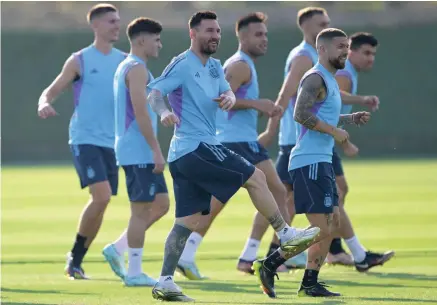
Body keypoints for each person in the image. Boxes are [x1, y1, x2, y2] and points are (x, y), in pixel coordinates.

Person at [147, 11, 320, 302]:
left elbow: (227, 94)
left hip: (189, 153)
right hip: (195, 146)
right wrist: (165, 112)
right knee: (256, 177)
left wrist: (228, 98)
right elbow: (154, 92)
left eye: (217, 31)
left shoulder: (215, 66)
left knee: (186, 222)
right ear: (193, 34)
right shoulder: (182, 63)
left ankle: (165, 281)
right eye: (208, 31)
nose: (214, 36)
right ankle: (285, 233)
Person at [254, 28, 373, 298]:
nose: (345, 51)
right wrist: (334, 132)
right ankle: (270, 263)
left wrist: (349, 118)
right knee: (321, 227)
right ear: (322, 49)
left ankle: (309, 282)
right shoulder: (315, 77)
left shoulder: (329, 80)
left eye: (347, 47)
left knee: (330, 223)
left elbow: (324, 114)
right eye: (340, 46)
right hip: (309, 162)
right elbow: (300, 113)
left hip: (321, 161)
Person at [175, 12, 290, 280]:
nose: (264, 40)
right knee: (274, 193)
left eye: (266, 34)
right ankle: (270, 255)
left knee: (226, 201)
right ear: (242, 37)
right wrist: (257, 103)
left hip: (240, 140)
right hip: (235, 141)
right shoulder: (240, 65)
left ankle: (245, 255)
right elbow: (218, 98)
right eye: (258, 34)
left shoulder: (242, 63)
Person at [37, 3, 126, 280]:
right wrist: (43, 103)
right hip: (84, 138)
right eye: (111, 21)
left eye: (118, 21)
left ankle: (75, 259)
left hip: (113, 143)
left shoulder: (125, 60)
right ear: (95, 25)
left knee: (104, 200)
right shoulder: (80, 60)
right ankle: (75, 258)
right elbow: (51, 91)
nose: (117, 25)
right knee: (100, 196)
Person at [102, 17, 170, 287]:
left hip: (137, 150)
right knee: (140, 212)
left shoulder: (133, 67)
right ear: (142, 40)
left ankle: (117, 249)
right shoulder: (136, 69)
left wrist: (166, 112)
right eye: (156, 39)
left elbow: (151, 101)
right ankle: (134, 272)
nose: (160, 45)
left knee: (162, 204)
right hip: (138, 150)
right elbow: (141, 112)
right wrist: (156, 149)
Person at [326, 32, 394, 267]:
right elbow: (330, 105)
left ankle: (335, 250)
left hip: (323, 141)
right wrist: (345, 142)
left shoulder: (348, 73)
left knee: (337, 193)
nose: (370, 58)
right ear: (350, 52)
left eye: (373, 54)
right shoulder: (344, 73)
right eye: (366, 53)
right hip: (316, 142)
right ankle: (353, 254)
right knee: (327, 198)